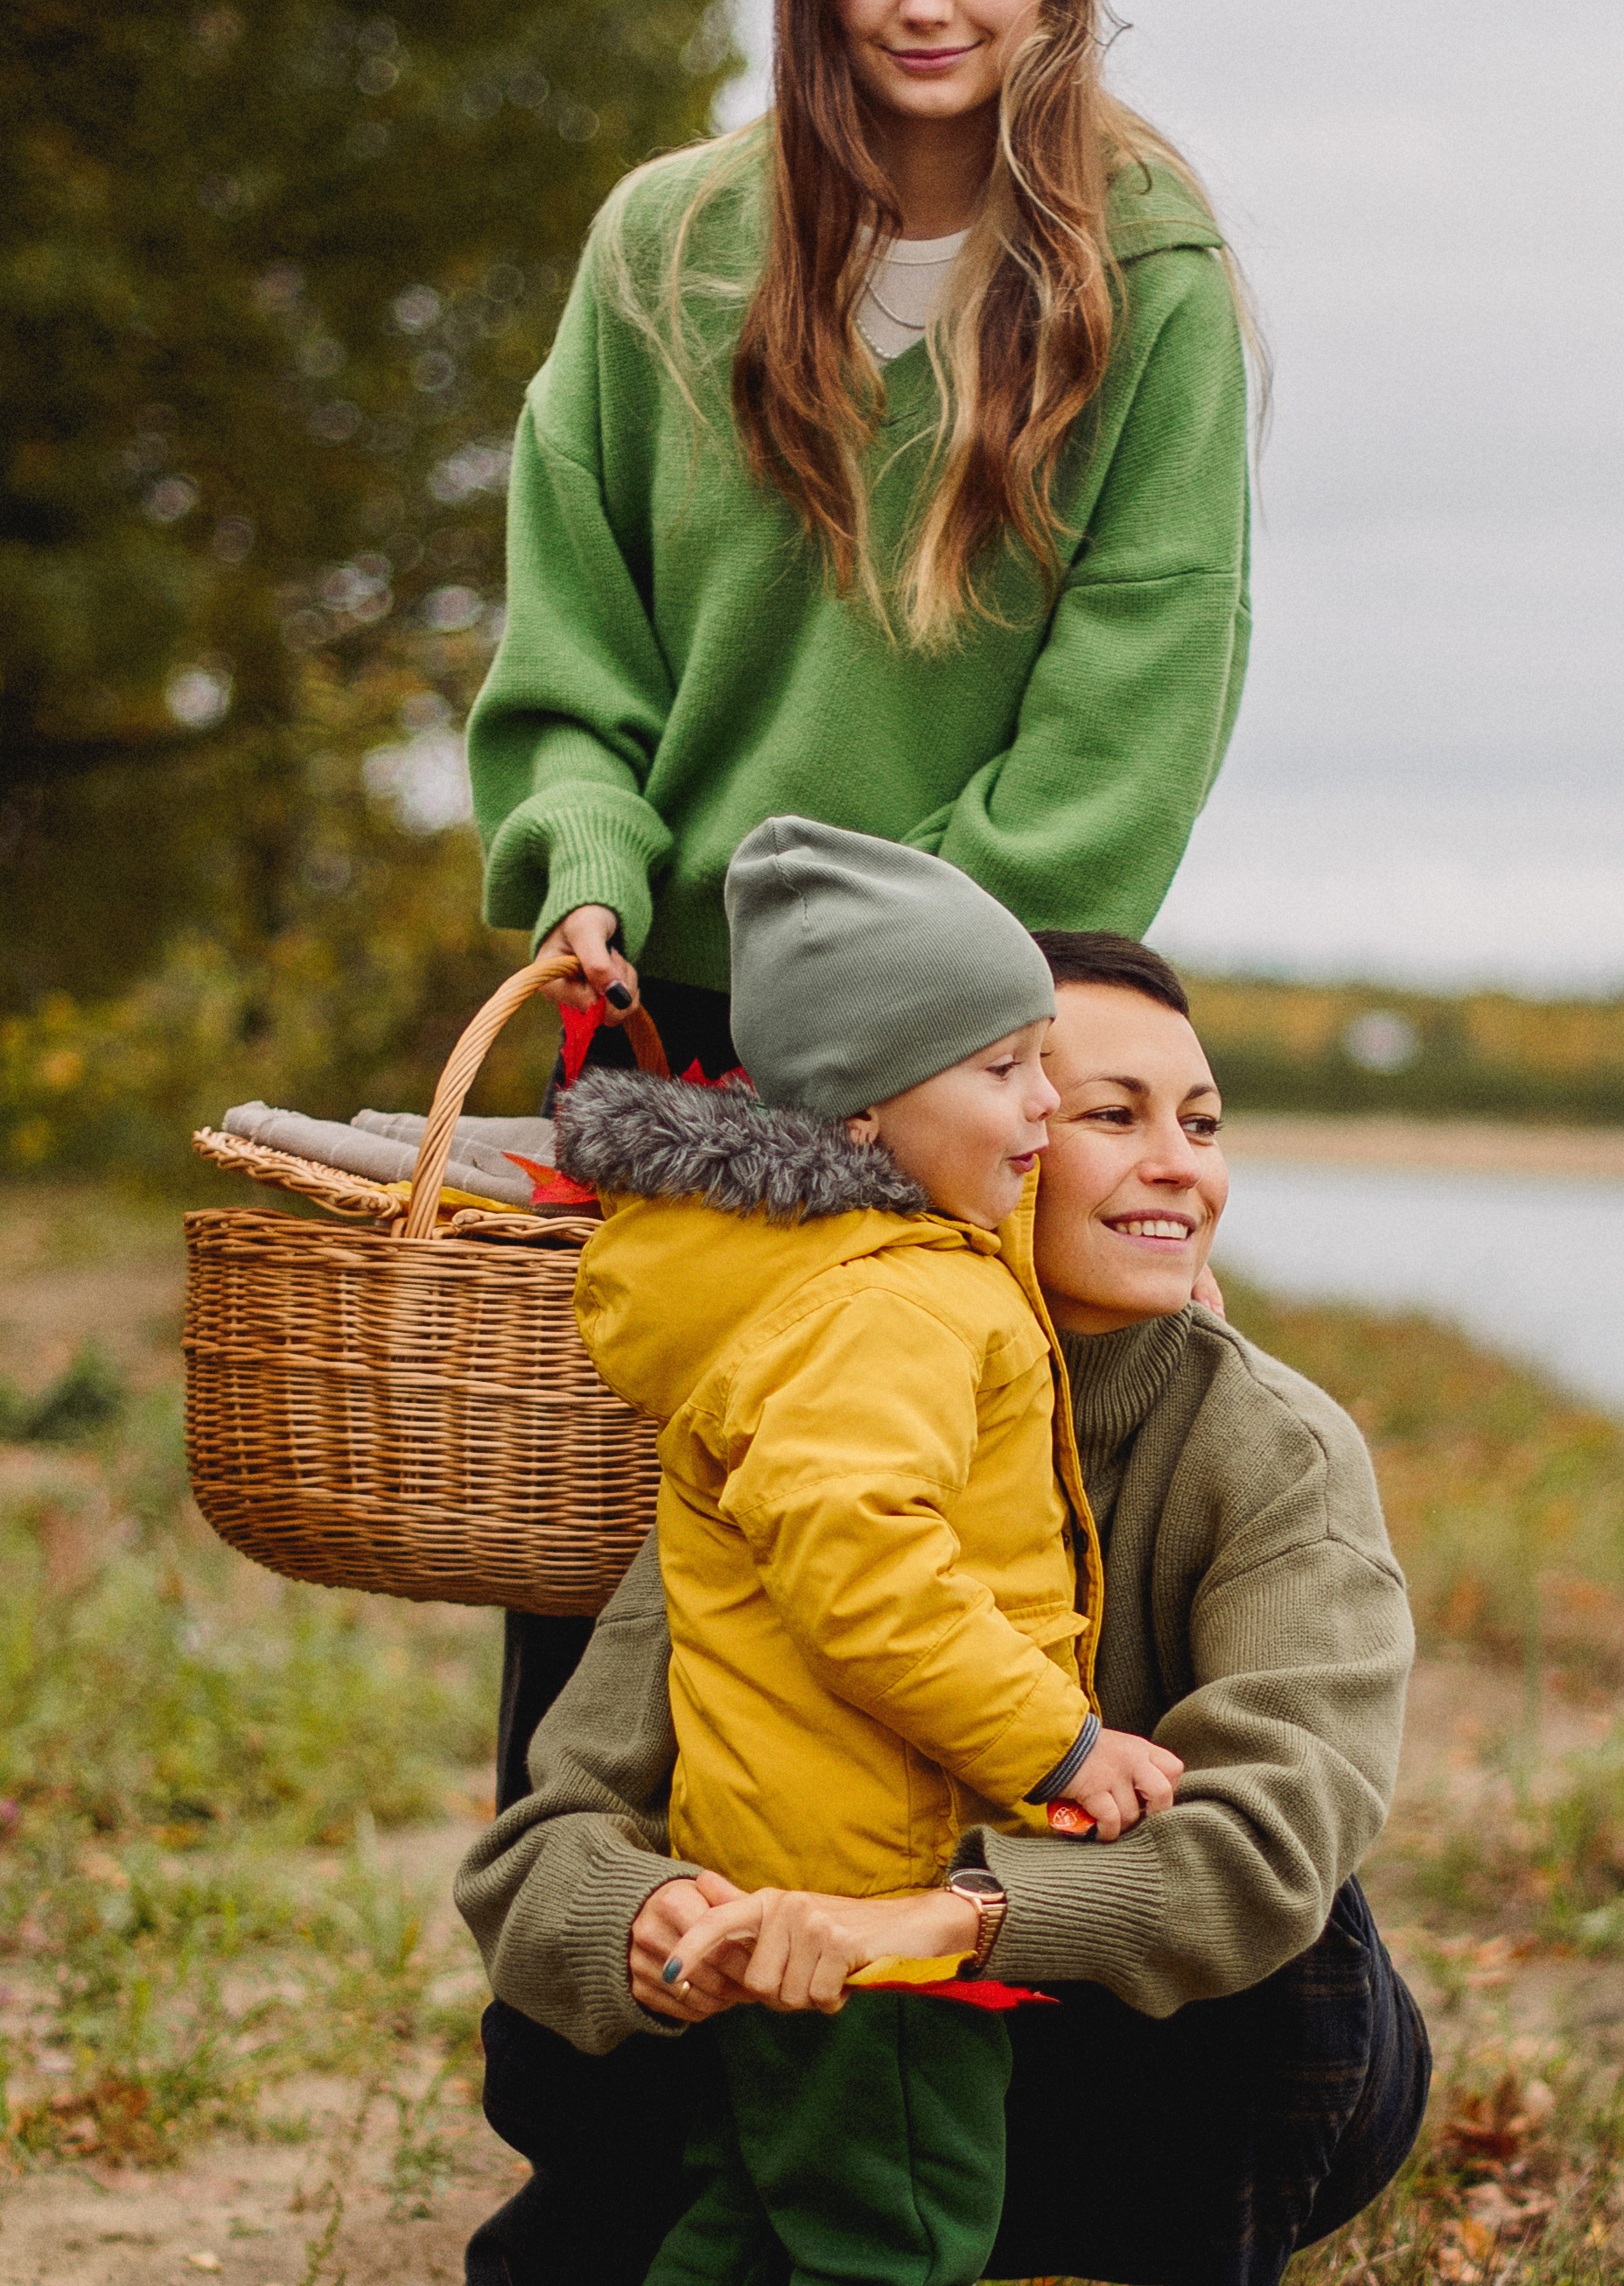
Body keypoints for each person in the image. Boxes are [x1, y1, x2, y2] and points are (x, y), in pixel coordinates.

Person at [353, 941, 1429, 2286]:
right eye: (1105, 1112)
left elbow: (1282, 1822)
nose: (1178, 1165)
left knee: (1307, 1935)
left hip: (1107, 2057)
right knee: (597, 2028)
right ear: (963, 1136)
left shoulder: (1269, 1444)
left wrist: (941, 1920)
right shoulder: (809, 1384)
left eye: (1202, 1121)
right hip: (828, 2056)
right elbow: (553, 1831)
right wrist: (662, 1923)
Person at [464, 0, 1254, 1820]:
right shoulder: (662, 245)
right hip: (676, 1052)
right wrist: (580, 846)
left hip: (972, 1061)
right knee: (602, 1603)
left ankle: (930, 2048)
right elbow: (570, 630)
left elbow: (1131, 712)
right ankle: (591, 2068)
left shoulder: (1154, 276)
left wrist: (899, 997)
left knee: (926, 1579)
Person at [507, 817, 1186, 2286]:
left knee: (766, 2201)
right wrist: (1051, 1742)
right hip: (859, 1858)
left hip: (784, 1835)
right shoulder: (894, 1293)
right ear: (869, 1110)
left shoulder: (850, 1271)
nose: (1044, 1105)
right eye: (1000, 1070)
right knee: (898, 2228)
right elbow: (860, 1563)